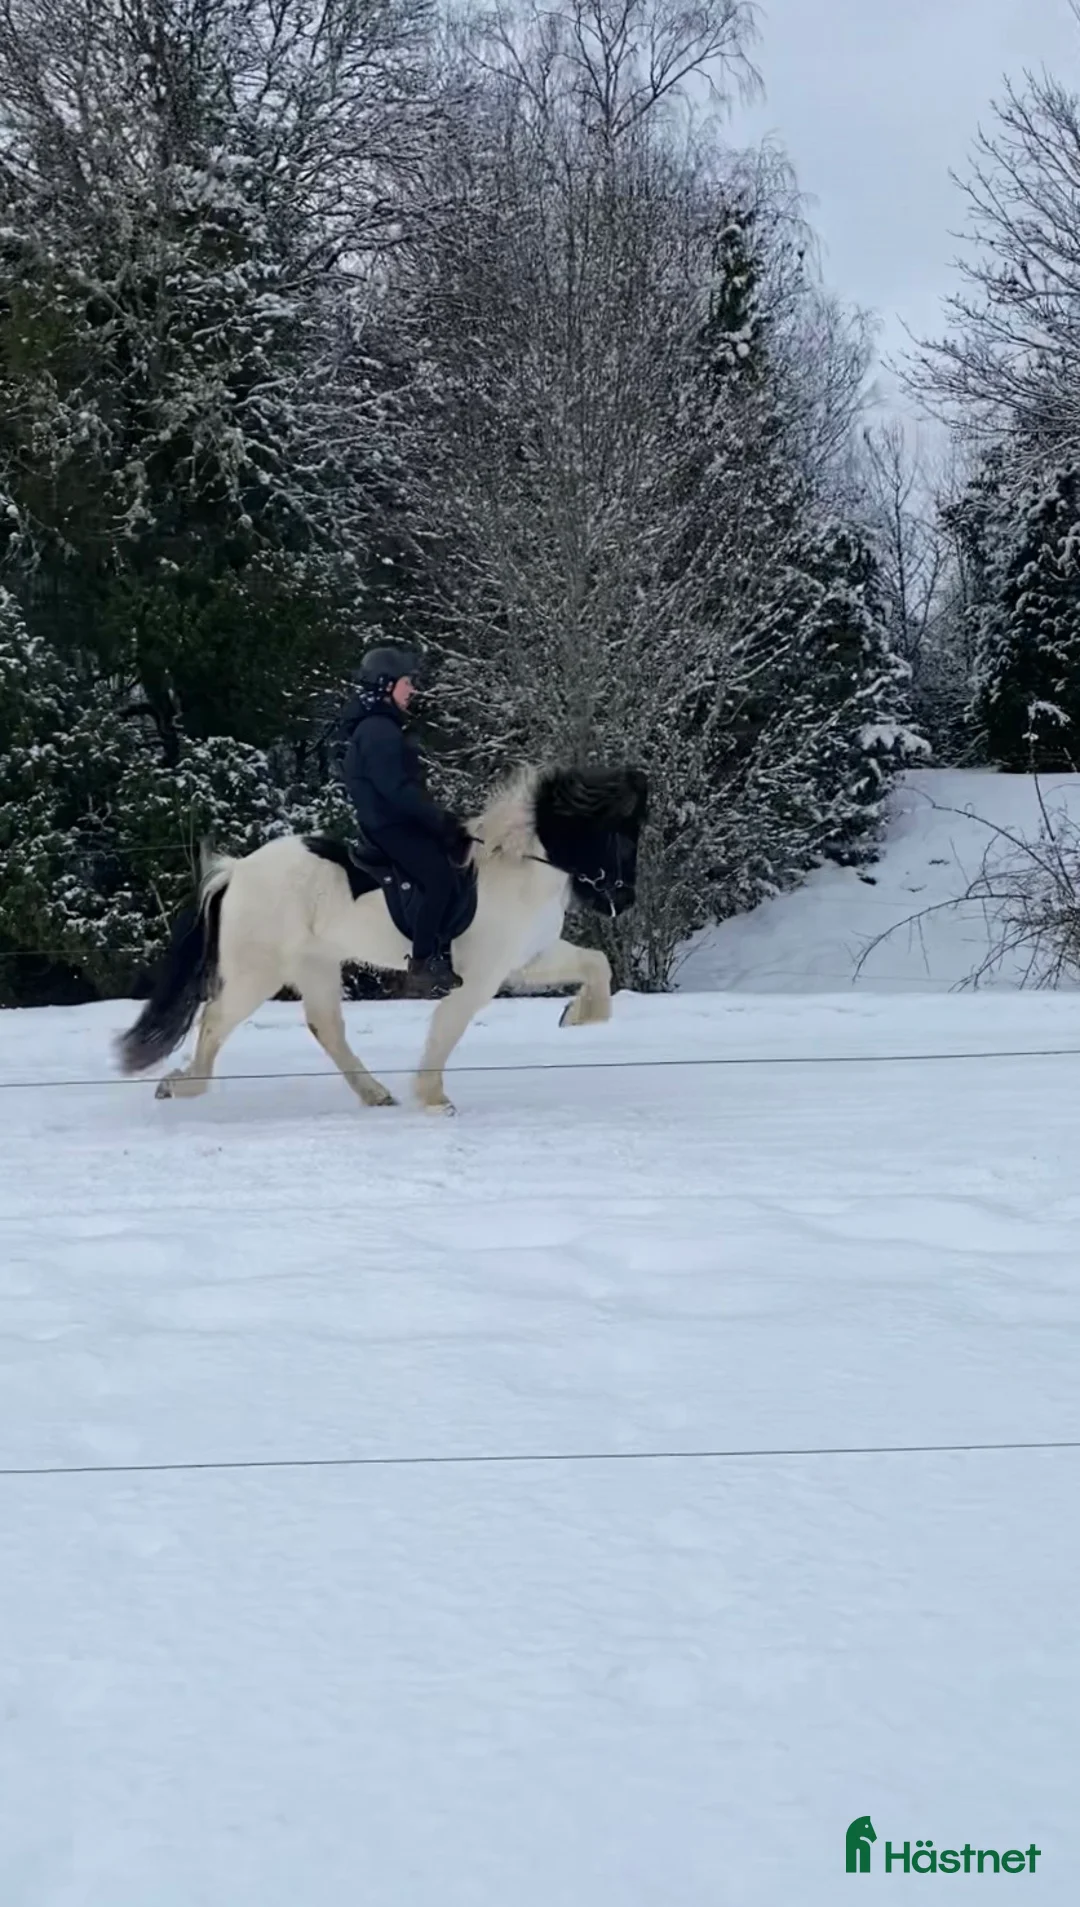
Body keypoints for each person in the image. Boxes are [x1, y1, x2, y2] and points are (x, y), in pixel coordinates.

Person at [339, 645, 472, 1000]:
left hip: (393, 823)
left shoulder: (379, 728)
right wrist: (439, 822)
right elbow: (398, 790)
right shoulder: (379, 731)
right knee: (439, 879)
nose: (412, 689)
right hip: (389, 828)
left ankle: (441, 956)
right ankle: (423, 964)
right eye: (406, 683)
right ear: (386, 686)